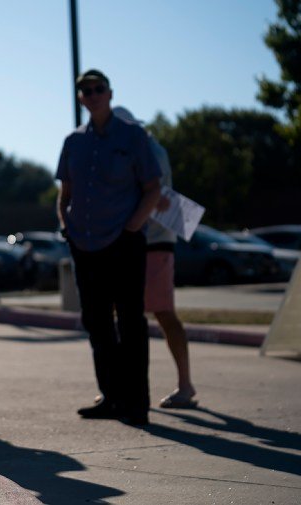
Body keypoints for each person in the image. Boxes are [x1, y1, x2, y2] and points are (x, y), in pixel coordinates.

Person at [56, 70, 161, 426]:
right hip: (83, 245)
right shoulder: (73, 141)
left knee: (131, 322)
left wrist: (132, 226)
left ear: (110, 93)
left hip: (124, 242)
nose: (93, 93)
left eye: (98, 88)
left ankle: (136, 404)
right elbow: (64, 193)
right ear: (81, 98)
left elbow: (153, 188)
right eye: (86, 90)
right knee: (97, 323)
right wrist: (66, 225)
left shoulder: (133, 136)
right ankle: (111, 398)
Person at [113, 106, 197, 409]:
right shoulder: (132, 147)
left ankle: (185, 385)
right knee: (124, 317)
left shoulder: (148, 149)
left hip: (154, 243)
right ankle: (121, 387)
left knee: (163, 313)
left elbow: (157, 196)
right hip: (130, 243)